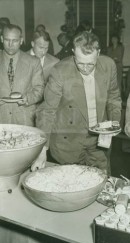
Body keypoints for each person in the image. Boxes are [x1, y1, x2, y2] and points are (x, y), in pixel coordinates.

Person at [34, 31, 121, 173]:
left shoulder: (108, 66)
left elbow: (113, 97)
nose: (85, 69)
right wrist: (42, 149)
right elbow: (47, 111)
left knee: (102, 183)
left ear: (98, 53)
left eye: (90, 64)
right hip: (68, 142)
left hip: (98, 142)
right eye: (80, 63)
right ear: (73, 52)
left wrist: (114, 122)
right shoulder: (60, 71)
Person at [0, 24, 44, 126]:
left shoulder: (33, 62)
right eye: (7, 40)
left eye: (15, 41)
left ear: (21, 40)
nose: (10, 44)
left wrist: (27, 99)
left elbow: (39, 90)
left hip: (24, 119)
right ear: (1, 39)